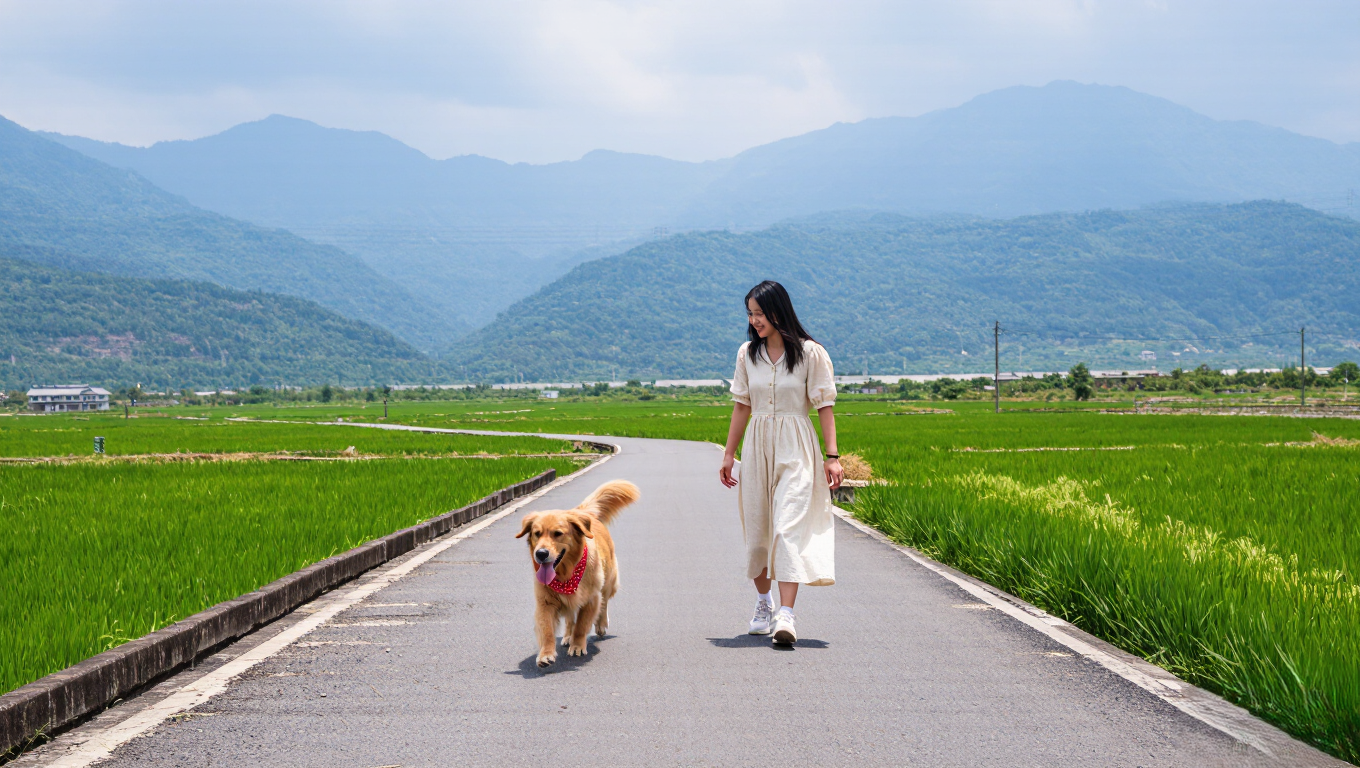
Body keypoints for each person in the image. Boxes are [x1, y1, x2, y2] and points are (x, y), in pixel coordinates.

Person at [720, 280, 843, 646]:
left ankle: (786, 615)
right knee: (758, 526)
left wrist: (832, 457)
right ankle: (764, 604)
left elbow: (825, 406)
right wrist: (729, 453)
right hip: (757, 444)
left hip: (797, 446)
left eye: (760, 313)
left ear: (778, 311)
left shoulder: (811, 353)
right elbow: (742, 404)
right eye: (750, 314)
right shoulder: (747, 354)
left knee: (787, 526)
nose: (754, 320)